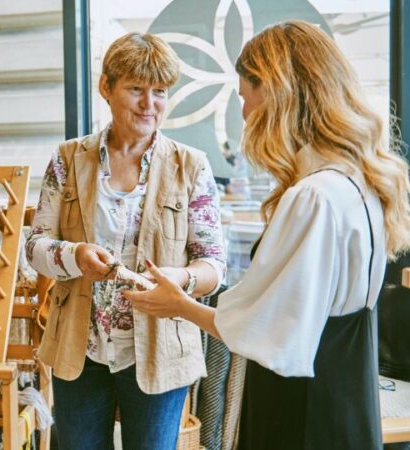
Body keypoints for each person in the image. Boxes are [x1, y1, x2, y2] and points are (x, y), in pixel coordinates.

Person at [129, 20, 410, 450]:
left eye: (246, 96)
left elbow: (265, 328)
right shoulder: (358, 183)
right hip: (347, 403)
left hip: (303, 412)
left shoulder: (314, 197)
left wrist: (179, 305)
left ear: (278, 93)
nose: (243, 113)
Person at [27, 32, 225, 449]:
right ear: (106, 87)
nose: (148, 104)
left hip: (158, 351)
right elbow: (34, 247)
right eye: (135, 89)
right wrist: (74, 255)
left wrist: (180, 280)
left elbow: (213, 264)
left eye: (159, 92)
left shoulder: (192, 166)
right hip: (79, 351)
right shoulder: (67, 159)